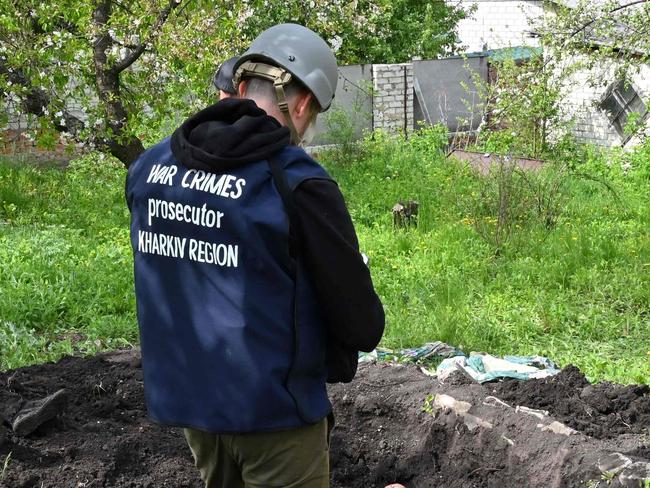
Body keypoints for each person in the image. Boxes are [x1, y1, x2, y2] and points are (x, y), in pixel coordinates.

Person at [125, 23, 384, 488]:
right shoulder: (299, 183)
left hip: (195, 410)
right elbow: (362, 325)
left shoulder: (151, 167)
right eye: (313, 116)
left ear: (243, 87)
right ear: (302, 103)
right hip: (276, 418)